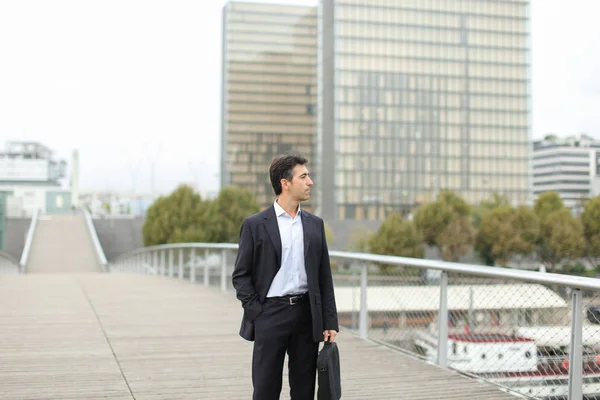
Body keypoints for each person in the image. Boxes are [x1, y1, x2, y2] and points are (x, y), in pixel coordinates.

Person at [232, 153, 339, 400]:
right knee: (266, 389)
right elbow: (241, 275)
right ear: (285, 183)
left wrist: (330, 320)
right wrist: (256, 312)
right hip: (270, 314)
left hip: (306, 316)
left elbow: (324, 277)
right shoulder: (255, 224)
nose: (310, 182)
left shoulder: (314, 224)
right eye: (303, 177)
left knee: (304, 391)